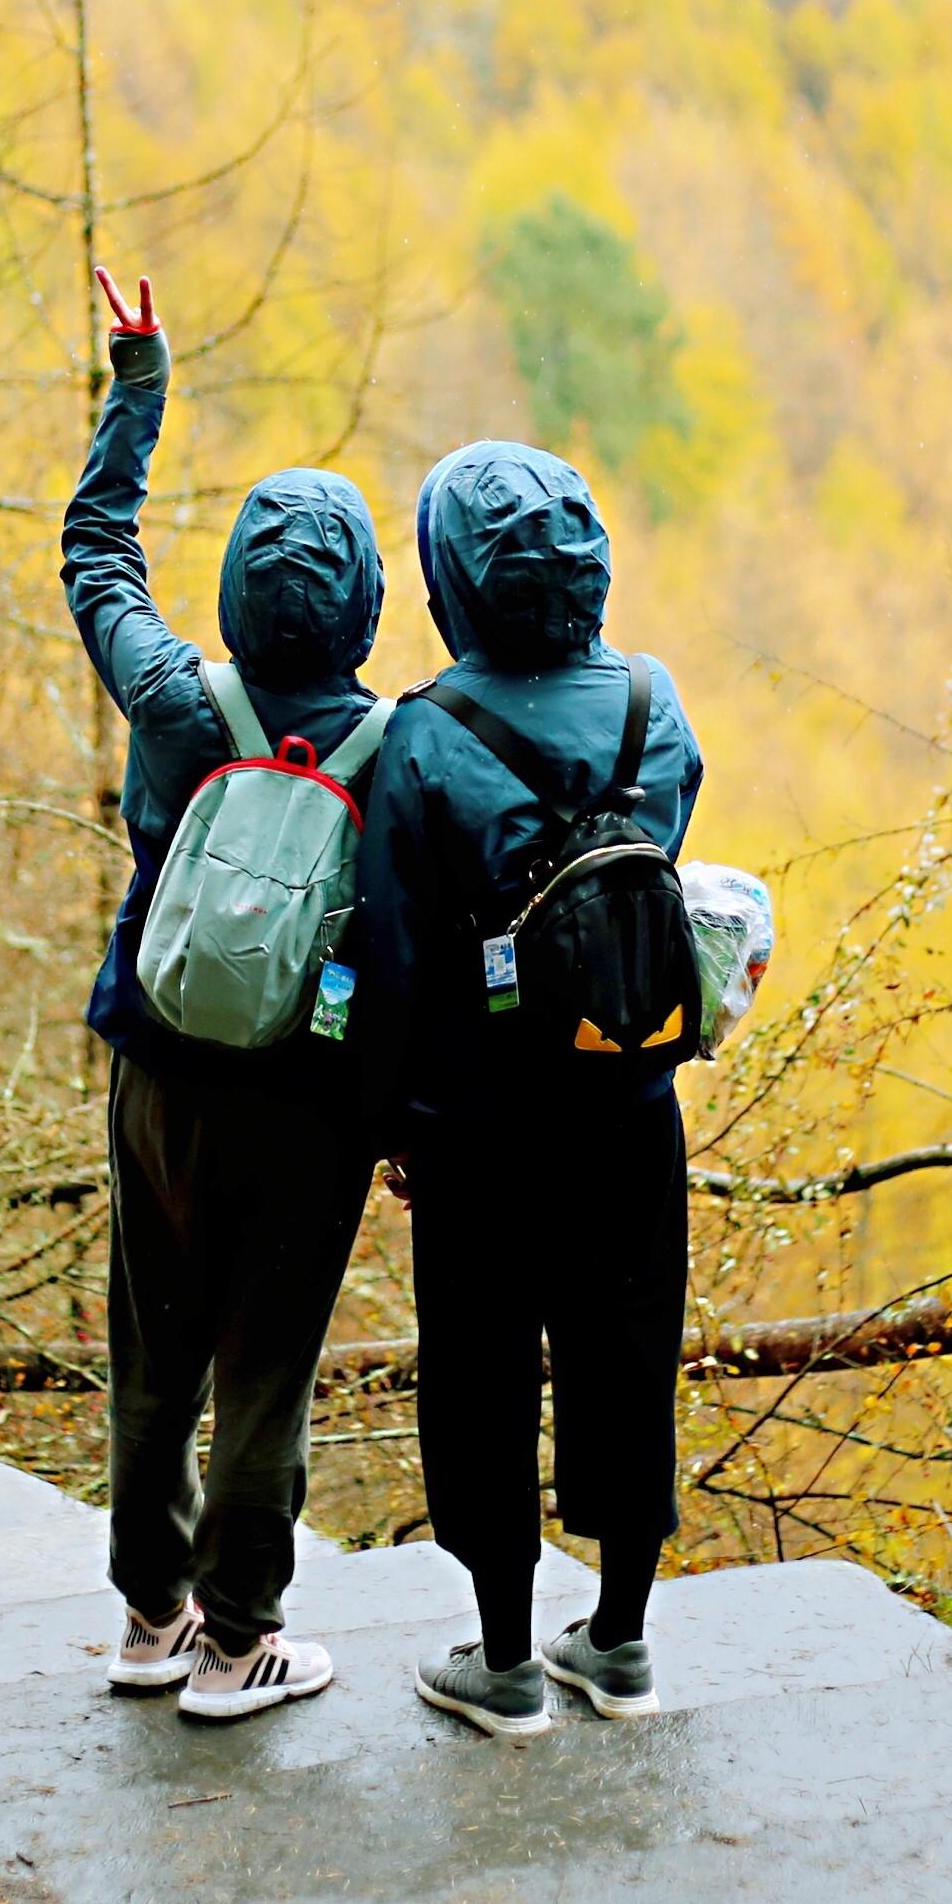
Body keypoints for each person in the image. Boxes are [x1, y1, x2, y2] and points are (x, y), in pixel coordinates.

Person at [63, 267, 380, 1722]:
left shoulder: (176, 698)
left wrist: (140, 390)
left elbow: (98, 560)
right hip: (307, 1102)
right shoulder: (404, 746)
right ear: (369, 603)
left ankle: (148, 1616)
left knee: (155, 1349)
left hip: (162, 1076)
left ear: (241, 595)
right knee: (265, 1372)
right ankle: (241, 1638)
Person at [353, 440, 705, 1738]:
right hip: (629, 1103)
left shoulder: (422, 736)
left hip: (477, 1130)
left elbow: (385, 951)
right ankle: (618, 1644)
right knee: (627, 1360)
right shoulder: (653, 702)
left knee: (484, 1378)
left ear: (452, 581)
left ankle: (503, 1661)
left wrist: (385, 1125)